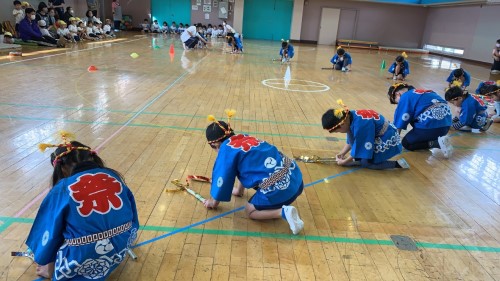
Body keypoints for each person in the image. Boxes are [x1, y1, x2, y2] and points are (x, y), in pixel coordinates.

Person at [25, 131, 139, 280]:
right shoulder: (113, 176)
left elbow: (49, 233)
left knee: (54, 232)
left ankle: (51, 271)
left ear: (61, 168)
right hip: (120, 245)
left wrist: (44, 260)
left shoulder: (63, 188)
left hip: (84, 257)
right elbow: (132, 215)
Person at [203, 111, 305, 235]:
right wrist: (239, 191)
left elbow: (222, 179)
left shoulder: (225, 151)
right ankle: (280, 205)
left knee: (249, 211)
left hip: (281, 191)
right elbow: (240, 168)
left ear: (215, 144)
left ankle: (283, 212)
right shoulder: (244, 137)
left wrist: (213, 202)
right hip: (297, 181)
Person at [322, 100, 409, 170]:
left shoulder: (361, 125)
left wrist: (345, 162)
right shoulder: (349, 116)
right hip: (378, 134)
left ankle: (398, 164)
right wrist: (342, 153)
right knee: (356, 145)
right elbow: (351, 138)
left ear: (342, 124)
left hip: (386, 137)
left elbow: (361, 144)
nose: (339, 132)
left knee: (367, 163)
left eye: (338, 131)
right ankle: (359, 158)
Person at [387, 83, 453, 158]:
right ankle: (438, 139)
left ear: (397, 94)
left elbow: (399, 124)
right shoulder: (425, 92)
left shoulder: (405, 97)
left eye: (396, 102)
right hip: (446, 126)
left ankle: (436, 143)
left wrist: (393, 142)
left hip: (432, 127)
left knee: (407, 143)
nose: (398, 104)